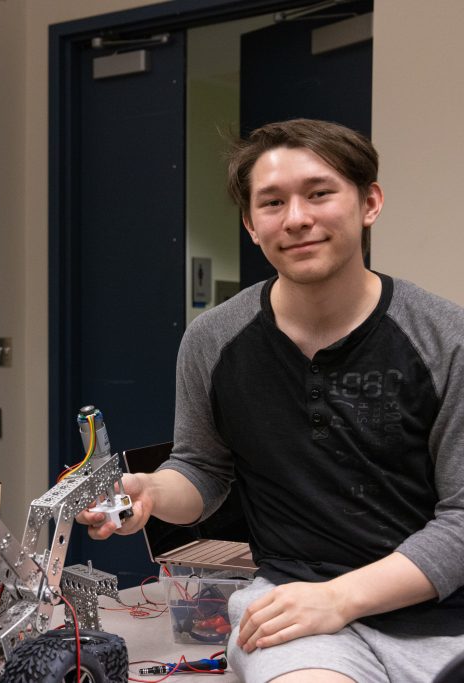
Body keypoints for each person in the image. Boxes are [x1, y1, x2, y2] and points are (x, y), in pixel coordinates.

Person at [79, 119, 464, 682]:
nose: (297, 219)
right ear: (251, 225)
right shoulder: (213, 339)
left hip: (443, 619)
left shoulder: (444, 337)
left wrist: (340, 597)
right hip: (295, 616)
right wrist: (153, 490)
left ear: (369, 202)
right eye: (272, 202)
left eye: (320, 193)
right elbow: (203, 471)